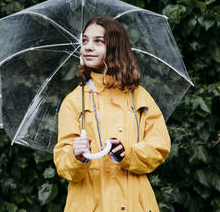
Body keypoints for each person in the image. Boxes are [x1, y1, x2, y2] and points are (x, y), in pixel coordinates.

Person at [53, 16, 171, 212]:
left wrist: (128, 153)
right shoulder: (74, 101)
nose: (88, 47)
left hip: (136, 204)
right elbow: (64, 166)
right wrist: (76, 156)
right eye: (84, 41)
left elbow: (159, 147)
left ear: (116, 47)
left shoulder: (139, 97)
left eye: (98, 41)